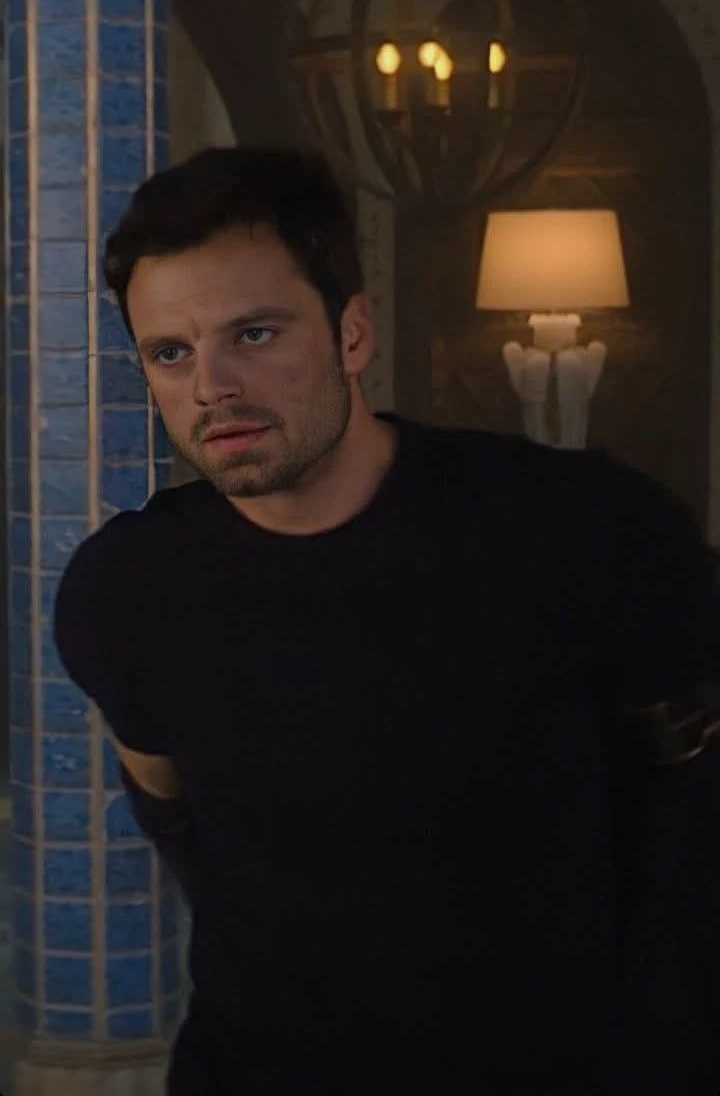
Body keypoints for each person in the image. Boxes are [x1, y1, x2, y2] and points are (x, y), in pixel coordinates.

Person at [54, 146, 720, 1096]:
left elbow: (679, 813)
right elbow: (174, 810)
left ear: (353, 334)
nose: (212, 387)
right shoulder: (122, 589)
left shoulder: (583, 529)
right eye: (171, 353)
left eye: (254, 334)